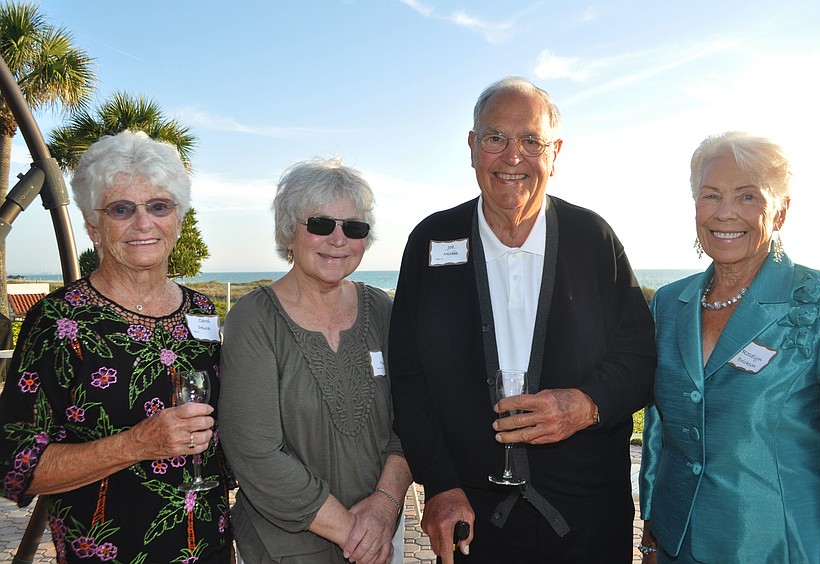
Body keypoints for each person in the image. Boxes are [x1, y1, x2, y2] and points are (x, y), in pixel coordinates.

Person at [388, 76, 656, 564]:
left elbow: (639, 357)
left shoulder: (593, 239)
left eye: (531, 140)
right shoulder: (430, 241)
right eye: (496, 138)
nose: (513, 157)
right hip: (471, 519)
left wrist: (586, 404)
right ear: (472, 147)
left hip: (588, 520)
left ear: (555, 152)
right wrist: (441, 486)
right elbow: (408, 380)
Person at [0, 130, 233, 562]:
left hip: (209, 544)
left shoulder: (200, 310)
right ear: (93, 225)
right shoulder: (58, 322)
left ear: (178, 218)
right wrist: (137, 444)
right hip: (109, 551)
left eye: (158, 206)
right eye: (122, 209)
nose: (143, 223)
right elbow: (16, 464)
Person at [639, 131, 820, 563]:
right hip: (680, 547)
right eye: (711, 195)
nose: (725, 212)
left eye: (748, 196)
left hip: (783, 549)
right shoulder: (668, 303)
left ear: (781, 212)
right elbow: (660, 429)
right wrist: (652, 528)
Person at [218, 157, 412, 564]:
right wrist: (355, 533)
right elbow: (255, 453)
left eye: (354, 228)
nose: (338, 239)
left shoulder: (383, 311)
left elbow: (412, 422)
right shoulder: (254, 319)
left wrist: (384, 508)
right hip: (286, 549)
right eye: (321, 224)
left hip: (380, 537)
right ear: (290, 231)